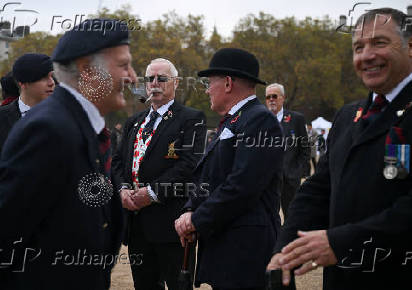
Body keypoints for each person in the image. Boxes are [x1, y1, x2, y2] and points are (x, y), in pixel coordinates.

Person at [0, 18, 137, 290]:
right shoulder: (49, 129)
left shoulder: (82, 126)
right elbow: (1, 230)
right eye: (123, 65)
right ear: (87, 71)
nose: (132, 76)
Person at [268, 8, 412, 290]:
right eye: (358, 47)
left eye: (379, 43)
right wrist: (284, 249)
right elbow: (319, 189)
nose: (366, 55)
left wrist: (341, 243)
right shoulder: (349, 116)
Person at [175, 48, 284, 290]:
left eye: (209, 83)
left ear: (227, 83)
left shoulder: (259, 120)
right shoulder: (235, 120)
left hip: (247, 251)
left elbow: (242, 186)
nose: (206, 89)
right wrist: (190, 209)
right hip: (226, 244)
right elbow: (210, 176)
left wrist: (197, 219)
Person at [112, 58, 206, 290]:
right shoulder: (134, 122)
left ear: (175, 83)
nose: (154, 83)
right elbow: (116, 162)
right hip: (137, 226)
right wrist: (122, 189)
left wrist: (152, 193)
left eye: (161, 78)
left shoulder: (191, 118)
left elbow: (188, 165)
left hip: (172, 224)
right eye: (150, 79)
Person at [0, 53, 54, 229]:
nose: (51, 83)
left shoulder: (69, 120)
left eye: (51, 76)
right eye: (43, 77)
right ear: (22, 83)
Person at [265, 83, 310, 219]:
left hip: (289, 179)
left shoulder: (296, 119)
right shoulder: (261, 119)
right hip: (267, 180)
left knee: (292, 217)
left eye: (274, 96)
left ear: (283, 98)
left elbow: (305, 149)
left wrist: (297, 171)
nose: (271, 99)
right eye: (268, 97)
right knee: (269, 217)